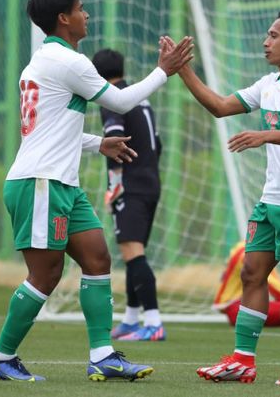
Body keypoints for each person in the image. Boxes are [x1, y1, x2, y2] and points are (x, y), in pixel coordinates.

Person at [0, 0, 192, 382]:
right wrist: (165, 71)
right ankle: (1, 356)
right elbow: (122, 101)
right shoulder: (68, 62)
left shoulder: (43, 62)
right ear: (64, 19)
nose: (87, 15)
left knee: (97, 256)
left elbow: (50, 130)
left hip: (59, 182)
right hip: (41, 183)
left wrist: (99, 143)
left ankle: (103, 356)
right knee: (45, 275)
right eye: (81, 8)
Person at [169, 9, 280, 385]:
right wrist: (182, 70)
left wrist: (263, 136)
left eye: (274, 35)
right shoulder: (269, 83)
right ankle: (243, 360)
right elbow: (220, 107)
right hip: (272, 198)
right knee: (251, 272)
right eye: (267, 34)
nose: (266, 41)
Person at [92, 49, 165, 342]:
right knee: (133, 252)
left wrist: (115, 186)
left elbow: (116, 143)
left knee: (133, 253)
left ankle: (154, 322)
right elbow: (157, 144)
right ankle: (132, 319)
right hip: (150, 181)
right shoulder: (140, 97)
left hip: (131, 185)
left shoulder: (113, 101)